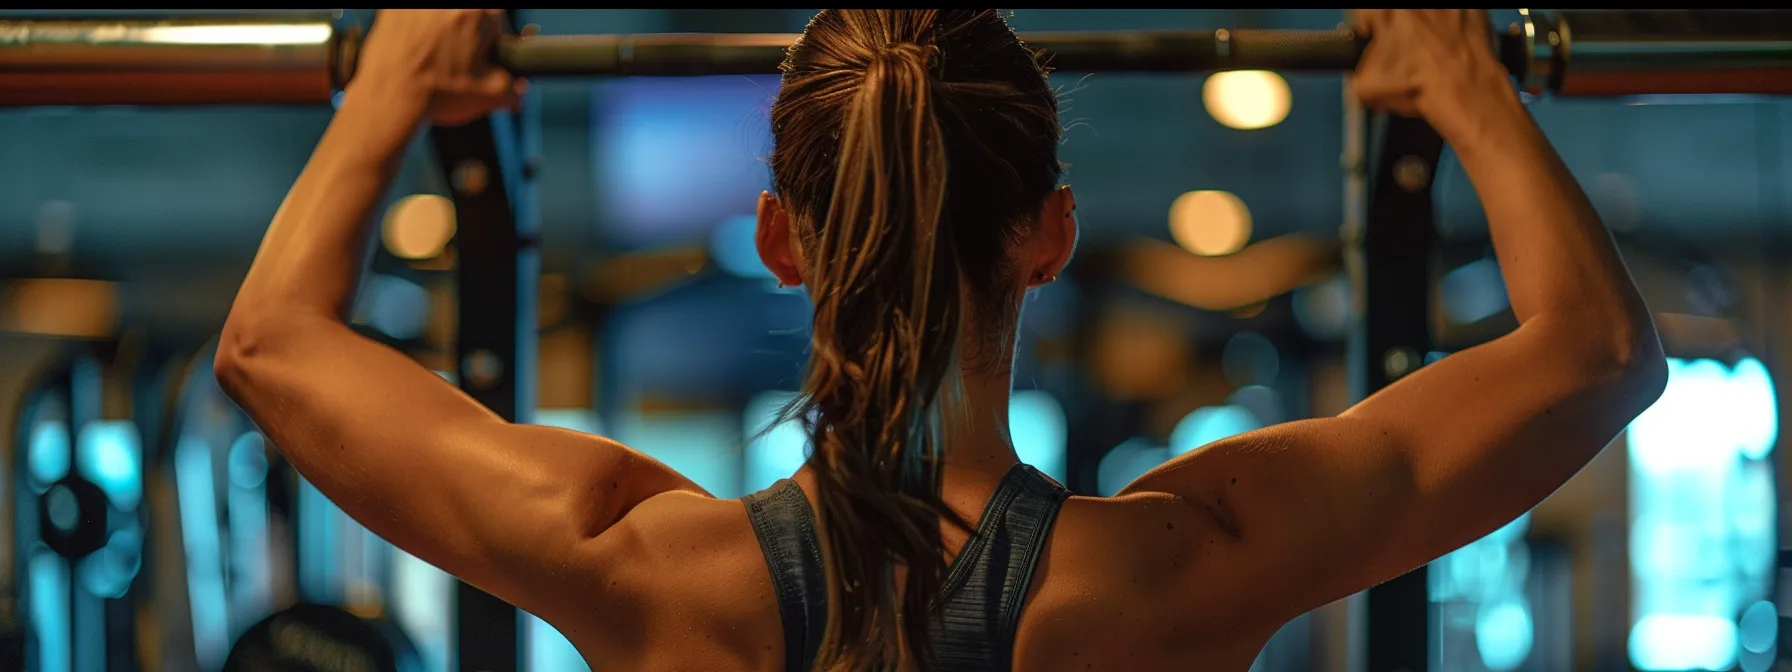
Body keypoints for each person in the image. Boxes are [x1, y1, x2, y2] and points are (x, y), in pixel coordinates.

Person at [215, 8, 1667, 671]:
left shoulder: (634, 562)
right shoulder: (1187, 565)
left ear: (782, 239)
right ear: (1052, 232)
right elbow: (1599, 353)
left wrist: (393, 83)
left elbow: (272, 347)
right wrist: (1465, 83)